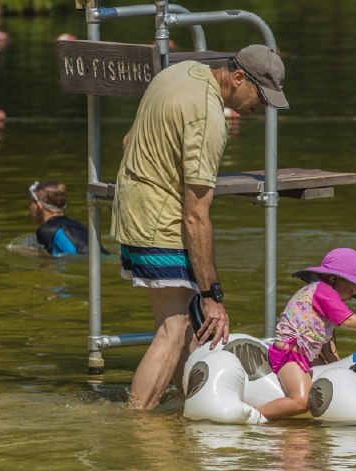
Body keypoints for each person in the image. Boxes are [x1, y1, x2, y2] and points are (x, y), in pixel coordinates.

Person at [111, 45, 289, 410]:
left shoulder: (180, 72)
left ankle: (191, 413)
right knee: (174, 330)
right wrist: (212, 297)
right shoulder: (209, 118)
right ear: (238, 78)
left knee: (187, 329)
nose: (262, 106)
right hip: (160, 222)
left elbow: (128, 141)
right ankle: (137, 423)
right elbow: (195, 215)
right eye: (260, 95)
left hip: (132, 208)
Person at [257, 248, 356, 421]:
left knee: (329, 381)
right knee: (301, 402)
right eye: (352, 291)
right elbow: (349, 320)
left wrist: (342, 369)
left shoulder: (323, 300)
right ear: (334, 278)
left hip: (307, 355)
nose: (350, 298)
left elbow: (326, 345)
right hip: (289, 354)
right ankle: (254, 415)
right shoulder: (322, 291)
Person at [29, 180, 107, 256]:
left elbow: (46, 260)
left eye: (31, 204)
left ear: (39, 206)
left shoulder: (46, 230)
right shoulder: (77, 225)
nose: (30, 207)